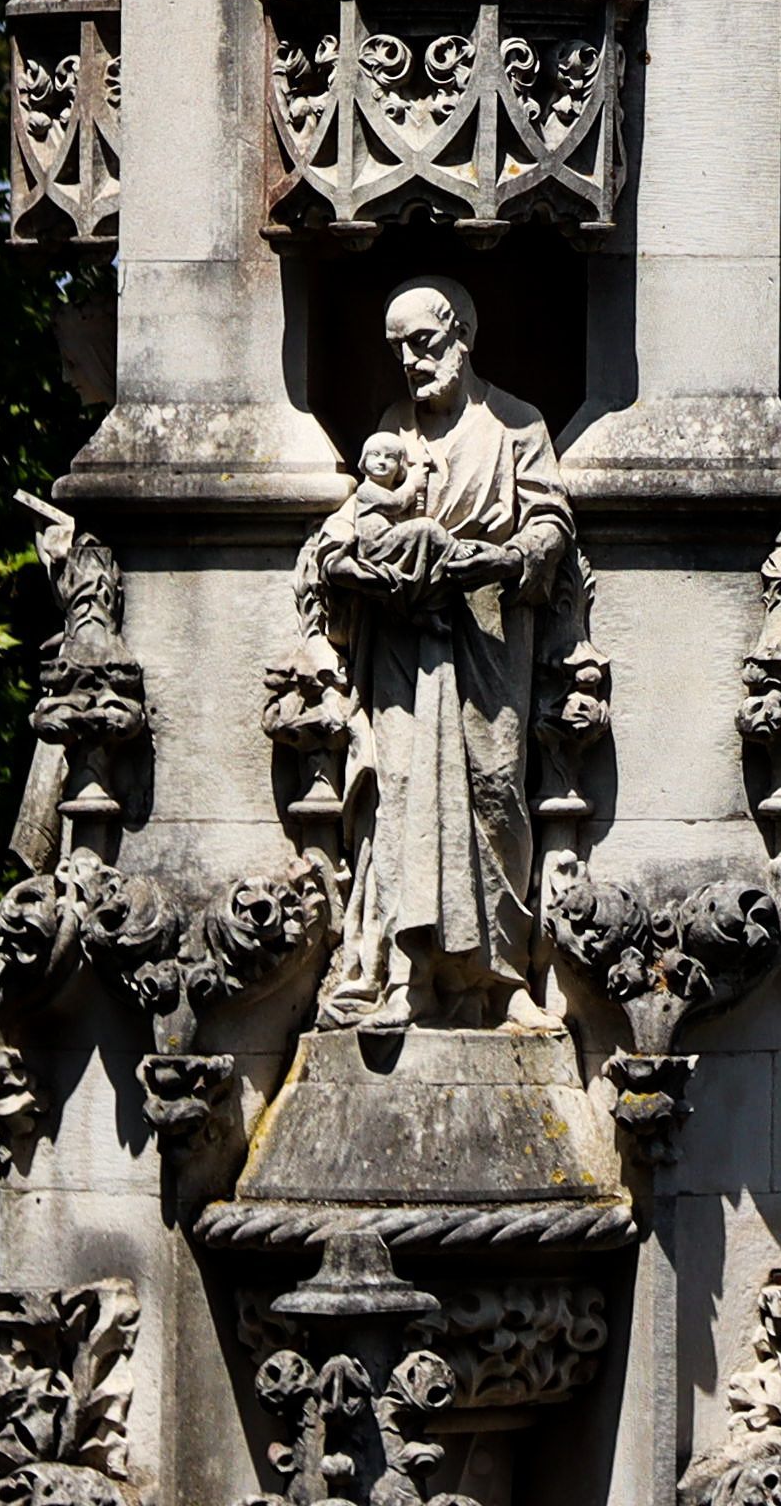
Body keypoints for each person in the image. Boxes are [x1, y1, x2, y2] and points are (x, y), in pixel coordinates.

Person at [292, 278, 576, 1032]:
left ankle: (504, 978)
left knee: (494, 797)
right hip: (402, 641)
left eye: (424, 343)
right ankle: (405, 978)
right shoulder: (393, 427)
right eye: (399, 351)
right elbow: (352, 522)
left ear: (463, 335)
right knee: (405, 797)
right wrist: (355, 565)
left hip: (487, 636)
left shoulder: (518, 426)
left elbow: (550, 524)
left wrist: (494, 563)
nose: (413, 363)